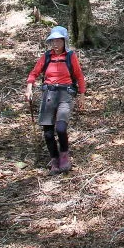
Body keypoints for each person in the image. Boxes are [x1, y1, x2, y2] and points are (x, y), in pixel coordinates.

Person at [26, 26, 86, 174]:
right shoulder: (46, 57)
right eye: (53, 40)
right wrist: (29, 87)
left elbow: (79, 76)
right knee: (47, 132)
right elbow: (34, 73)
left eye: (59, 40)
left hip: (65, 94)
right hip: (49, 95)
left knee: (60, 128)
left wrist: (82, 95)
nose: (55, 44)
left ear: (64, 41)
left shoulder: (70, 56)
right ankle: (54, 159)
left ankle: (64, 155)